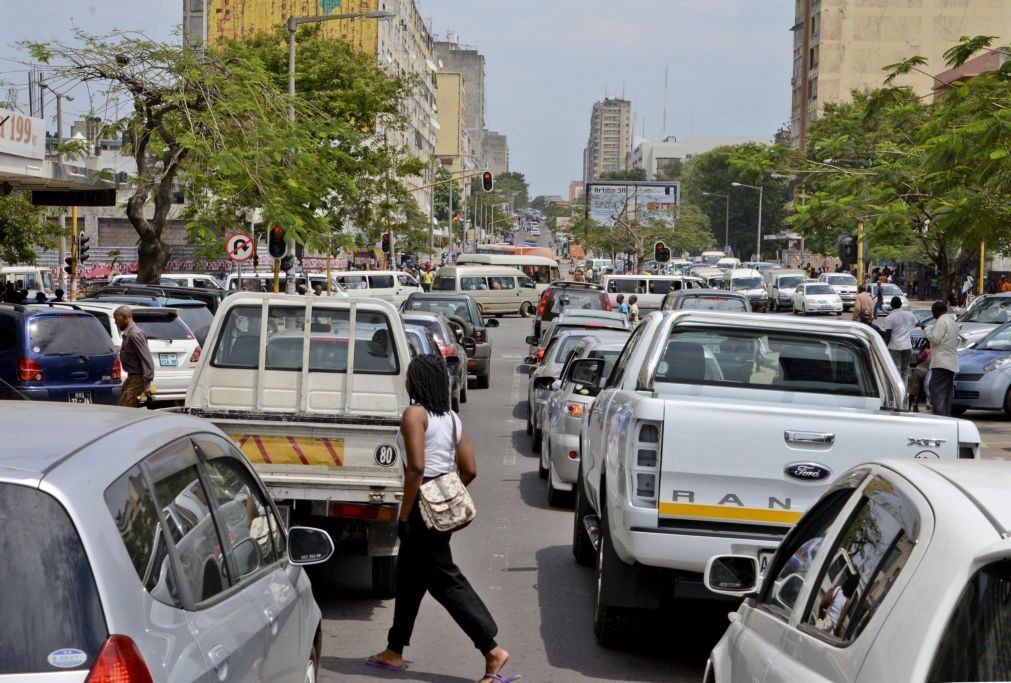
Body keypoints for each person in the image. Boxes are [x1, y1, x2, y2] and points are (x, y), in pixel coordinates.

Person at [368, 355, 516, 683]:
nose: (405, 380)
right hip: (439, 512)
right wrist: (445, 495)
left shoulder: (413, 414)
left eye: (409, 375)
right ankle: (394, 650)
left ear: (416, 381)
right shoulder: (450, 419)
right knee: (408, 578)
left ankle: (492, 649)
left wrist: (405, 516)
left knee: (445, 582)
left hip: (420, 512)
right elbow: (470, 469)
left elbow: (416, 468)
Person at [114, 306, 155, 408]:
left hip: (138, 378)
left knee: (125, 410)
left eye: (116, 319)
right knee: (125, 407)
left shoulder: (135, 334)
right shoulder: (129, 334)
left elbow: (146, 359)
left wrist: (147, 385)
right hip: (132, 377)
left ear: (125, 317)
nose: (115, 323)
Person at [925, 300, 959, 416]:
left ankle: (940, 414)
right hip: (951, 362)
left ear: (937, 311)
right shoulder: (952, 321)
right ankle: (945, 414)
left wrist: (926, 329)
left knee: (935, 388)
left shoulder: (941, 321)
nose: (933, 315)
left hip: (941, 362)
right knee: (946, 391)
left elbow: (935, 339)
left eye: (933, 312)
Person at [880, 296, 917, 384]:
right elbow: (917, 322)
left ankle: (898, 394)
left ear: (891, 306)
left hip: (895, 347)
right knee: (905, 372)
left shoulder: (890, 318)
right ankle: (904, 393)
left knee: (896, 371)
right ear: (901, 304)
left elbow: (888, 335)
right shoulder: (909, 314)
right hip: (907, 347)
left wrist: (883, 348)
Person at [908, 347, 931, 412]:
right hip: (924, 372)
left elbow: (918, 360)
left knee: (915, 390)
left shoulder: (927, 351)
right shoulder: (929, 352)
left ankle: (911, 406)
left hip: (919, 371)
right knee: (918, 391)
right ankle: (913, 406)